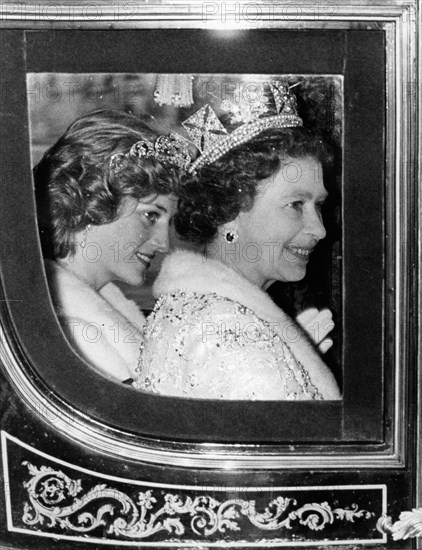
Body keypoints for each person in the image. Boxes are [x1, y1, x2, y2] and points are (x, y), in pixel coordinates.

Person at [134, 81, 341, 400]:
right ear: (231, 210)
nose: (320, 229)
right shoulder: (229, 333)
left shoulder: (212, 312)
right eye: (296, 205)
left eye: (319, 205)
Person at [34, 109, 189, 383]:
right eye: (150, 215)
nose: (163, 243)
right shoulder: (74, 334)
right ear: (91, 205)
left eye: (168, 221)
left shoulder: (108, 307)